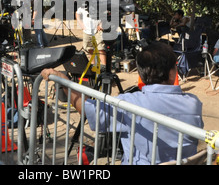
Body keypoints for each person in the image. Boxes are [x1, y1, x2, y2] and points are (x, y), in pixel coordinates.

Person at [41, 42, 204, 165]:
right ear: (172, 72)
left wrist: (65, 82)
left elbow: (87, 109)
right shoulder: (194, 104)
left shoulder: (129, 103)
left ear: (141, 74)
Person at [75, 4, 106, 69]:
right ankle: (93, 65)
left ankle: (104, 66)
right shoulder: (83, 5)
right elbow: (77, 14)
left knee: (101, 48)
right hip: (87, 31)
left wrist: (101, 24)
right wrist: (81, 24)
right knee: (89, 49)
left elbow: (104, 15)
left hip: (98, 30)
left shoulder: (99, 4)